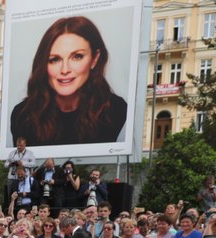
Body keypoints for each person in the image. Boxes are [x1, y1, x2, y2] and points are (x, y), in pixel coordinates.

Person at [10, 16, 128, 146]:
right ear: (44, 64)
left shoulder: (116, 109)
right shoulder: (22, 116)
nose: (65, 70)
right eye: (54, 59)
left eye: (77, 57)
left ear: (94, 59)